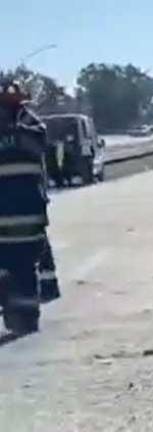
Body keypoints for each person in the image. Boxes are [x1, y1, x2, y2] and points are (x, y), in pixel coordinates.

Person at [0, 80, 51, 333]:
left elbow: (39, 143)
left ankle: (27, 317)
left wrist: (13, 131)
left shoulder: (30, 124)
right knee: (20, 269)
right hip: (24, 216)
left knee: (24, 268)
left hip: (26, 216)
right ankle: (20, 313)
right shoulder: (31, 123)